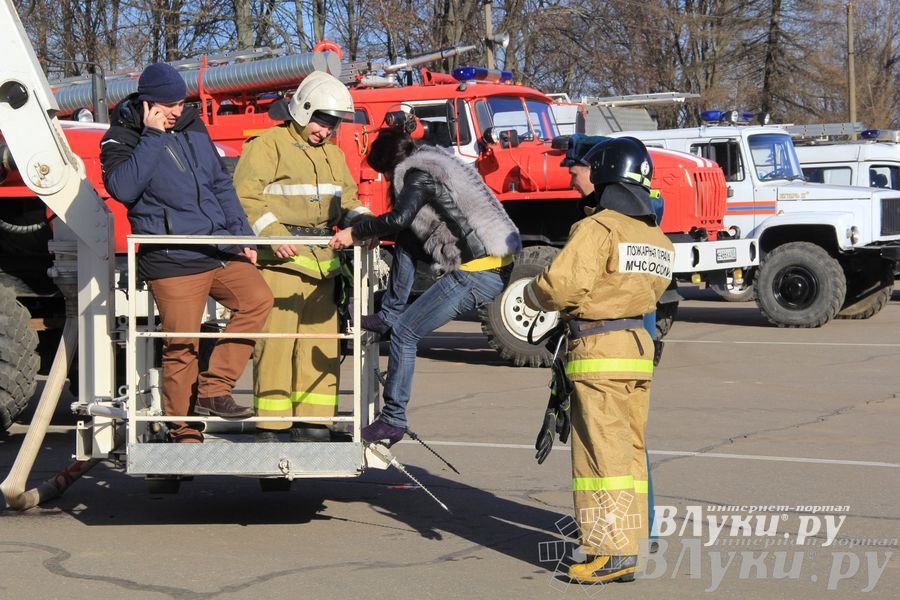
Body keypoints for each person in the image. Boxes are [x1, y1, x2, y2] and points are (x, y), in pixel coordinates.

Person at [523, 137, 674, 583]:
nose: (578, 177)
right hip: (636, 351)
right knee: (629, 453)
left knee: (600, 456)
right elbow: (654, 291)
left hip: (599, 354)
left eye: (586, 170)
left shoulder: (598, 228)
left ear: (606, 173)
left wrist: (529, 294)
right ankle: (631, 544)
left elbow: (560, 286)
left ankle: (611, 553)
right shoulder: (655, 236)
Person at [100, 63, 274, 443]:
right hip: (171, 257)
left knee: (258, 299)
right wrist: (152, 135)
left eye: (181, 103)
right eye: (169, 105)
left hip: (216, 247)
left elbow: (220, 184)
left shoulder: (193, 124)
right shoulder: (119, 137)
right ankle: (184, 431)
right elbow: (123, 189)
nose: (177, 111)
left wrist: (243, 238)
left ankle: (215, 388)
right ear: (148, 103)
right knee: (182, 346)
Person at [329, 128, 521, 445]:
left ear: (392, 165)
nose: (388, 181)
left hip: (477, 272)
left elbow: (399, 217)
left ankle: (392, 420)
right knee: (406, 238)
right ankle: (388, 314)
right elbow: (407, 228)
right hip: (491, 263)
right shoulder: (436, 162)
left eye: (385, 174)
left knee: (405, 333)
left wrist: (356, 232)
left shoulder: (416, 174)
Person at [233, 72, 372, 443]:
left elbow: (348, 201)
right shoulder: (267, 145)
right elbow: (245, 198)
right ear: (303, 110)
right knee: (277, 345)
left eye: (332, 124)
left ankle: (314, 423)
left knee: (319, 346)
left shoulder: (333, 154)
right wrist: (274, 235)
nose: (325, 131)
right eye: (321, 121)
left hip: (324, 266)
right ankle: (272, 426)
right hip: (280, 264)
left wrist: (368, 224)